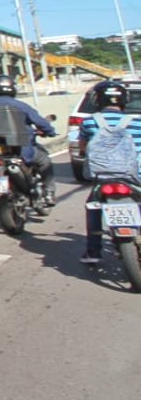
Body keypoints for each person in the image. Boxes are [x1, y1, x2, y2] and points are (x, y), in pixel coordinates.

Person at [76, 81, 141, 264]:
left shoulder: (88, 121)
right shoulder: (137, 121)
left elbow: (82, 148)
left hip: (102, 177)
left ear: (97, 99)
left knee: (93, 207)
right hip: (134, 175)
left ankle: (93, 252)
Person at [0, 74, 57, 209]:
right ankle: (49, 193)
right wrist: (49, 131)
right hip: (21, 150)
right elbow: (41, 123)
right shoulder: (20, 105)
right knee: (44, 160)